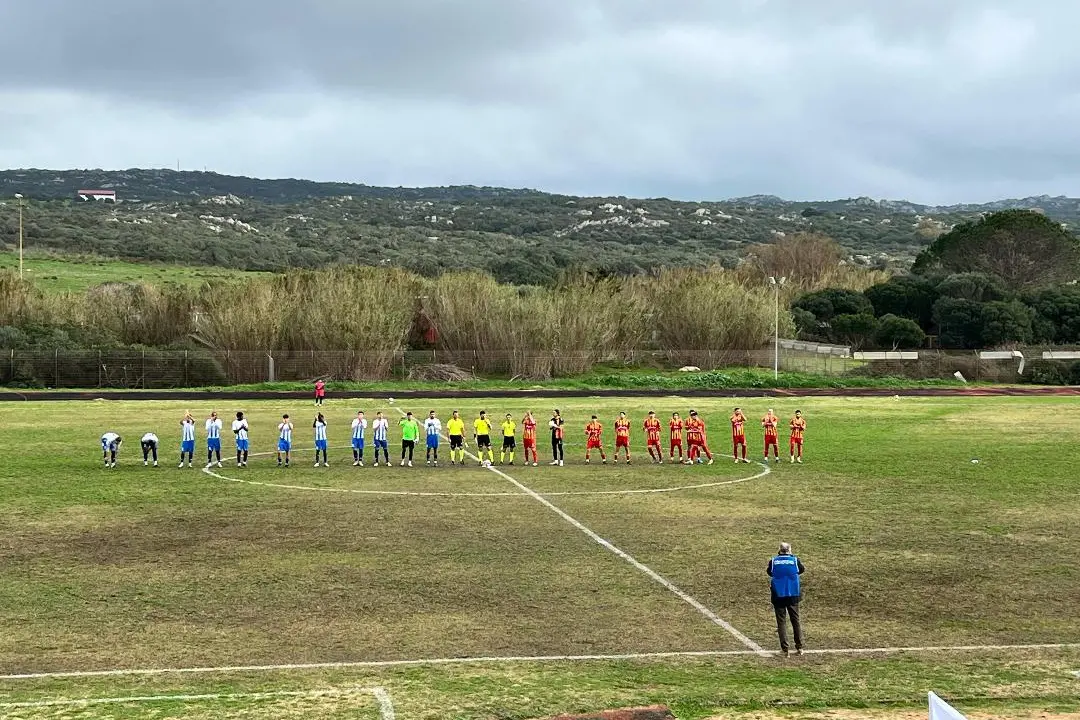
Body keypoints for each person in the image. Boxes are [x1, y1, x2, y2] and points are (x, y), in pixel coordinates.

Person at [767, 541, 806, 656]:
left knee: (781, 622)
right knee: (795, 620)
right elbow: (801, 569)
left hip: (778, 595)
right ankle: (799, 647)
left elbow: (770, 572)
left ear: (779, 550)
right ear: (789, 550)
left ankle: (785, 649)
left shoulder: (774, 561)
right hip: (793, 594)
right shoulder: (795, 560)